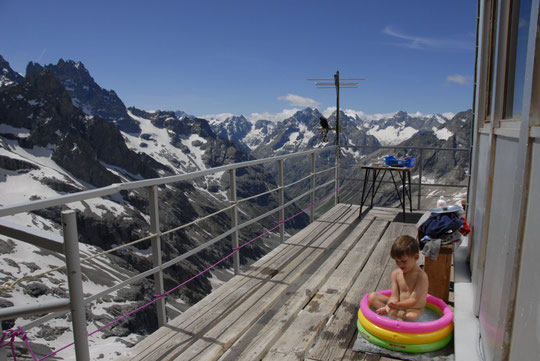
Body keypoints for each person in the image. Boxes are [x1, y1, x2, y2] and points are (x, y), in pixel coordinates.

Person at [368, 235, 428, 321]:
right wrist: (389, 305)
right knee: (372, 297)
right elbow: (394, 296)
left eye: (404, 261)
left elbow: (413, 300)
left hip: (414, 308)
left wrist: (397, 306)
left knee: (411, 316)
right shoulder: (396, 274)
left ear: (416, 257)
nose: (400, 264)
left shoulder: (421, 277)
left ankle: (393, 317)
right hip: (398, 305)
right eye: (397, 261)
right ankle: (394, 316)